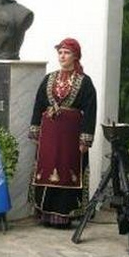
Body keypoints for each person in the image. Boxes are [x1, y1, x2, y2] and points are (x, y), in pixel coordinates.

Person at [28, 38, 97, 228]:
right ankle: (45, 213)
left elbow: (90, 111)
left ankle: (64, 215)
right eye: (60, 52)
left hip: (70, 137)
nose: (62, 56)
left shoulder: (85, 82)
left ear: (75, 56)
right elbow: (38, 105)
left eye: (66, 53)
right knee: (47, 168)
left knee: (67, 168)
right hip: (49, 135)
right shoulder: (49, 78)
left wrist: (85, 139)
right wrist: (35, 130)